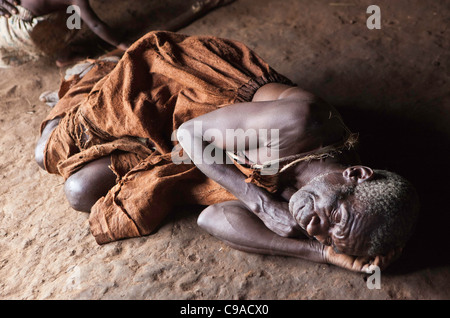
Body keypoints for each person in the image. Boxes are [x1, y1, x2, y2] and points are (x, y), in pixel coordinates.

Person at [35, 31, 420, 273]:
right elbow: (189, 133)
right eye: (333, 215)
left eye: (329, 237)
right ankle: (94, 72)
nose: (315, 226)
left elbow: (213, 219)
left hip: (209, 147)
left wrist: (320, 254)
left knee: (80, 193)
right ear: (356, 174)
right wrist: (262, 204)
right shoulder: (304, 123)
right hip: (186, 94)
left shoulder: (318, 208)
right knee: (47, 152)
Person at [0, 0, 130, 67]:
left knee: (71, 11)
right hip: (22, 31)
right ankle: (63, 55)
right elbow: (95, 25)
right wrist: (121, 43)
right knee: (75, 17)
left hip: (7, 21)